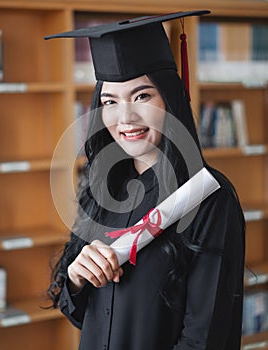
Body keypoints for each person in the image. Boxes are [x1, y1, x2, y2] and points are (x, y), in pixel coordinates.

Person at [45, 10, 245, 350]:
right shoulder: (100, 188)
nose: (125, 117)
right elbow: (84, 315)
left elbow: (204, 339)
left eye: (142, 96)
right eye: (110, 101)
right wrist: (77, 279)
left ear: (171, 97)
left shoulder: (209, 197)